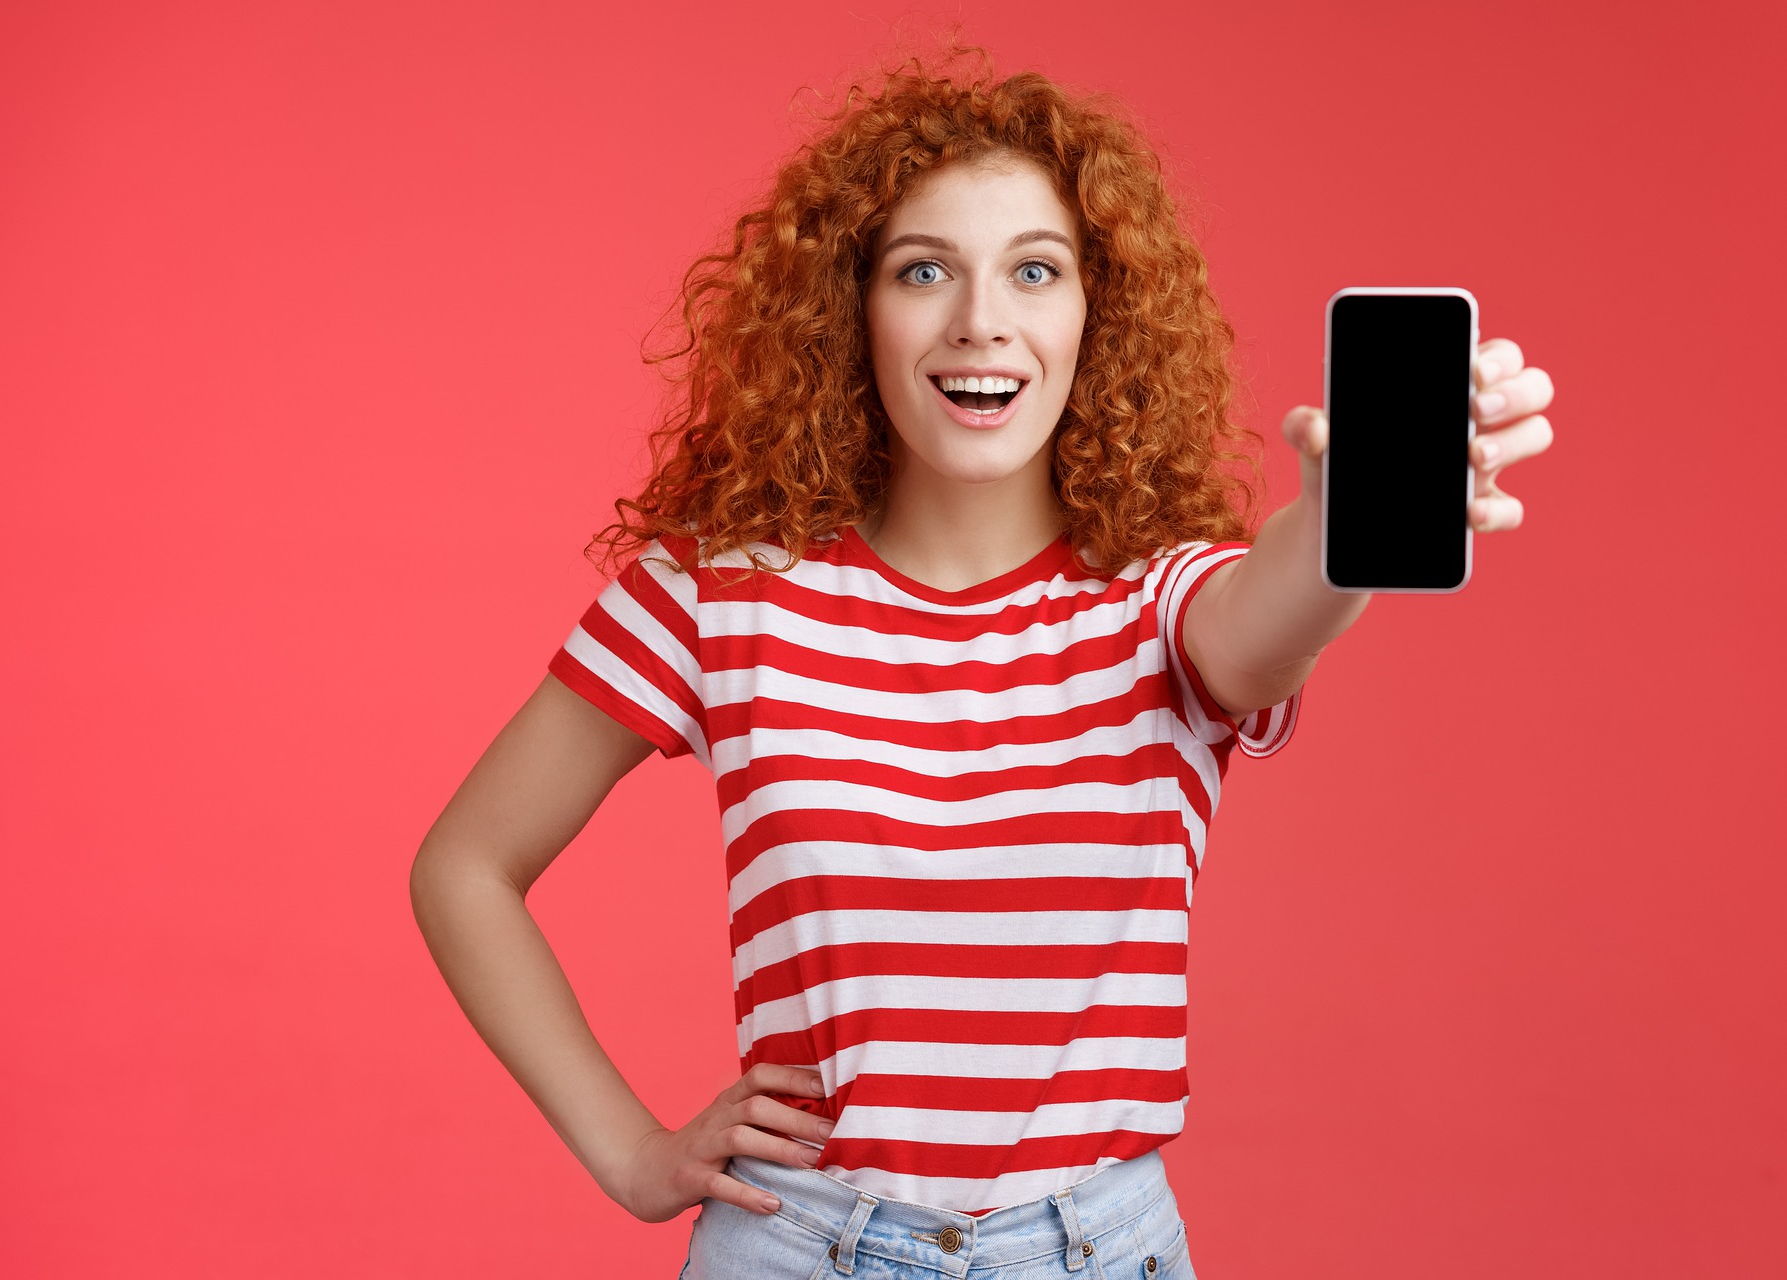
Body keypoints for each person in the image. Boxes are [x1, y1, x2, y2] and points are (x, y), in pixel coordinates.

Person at [409, 44, 1553, 1280]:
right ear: (852, 308)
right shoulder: (719, 594)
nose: (980, 321)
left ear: (1093, 315)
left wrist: (1342, 529)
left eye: (1035, 271)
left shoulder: (1159, 603)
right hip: (792, 1245)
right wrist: (630, 1152)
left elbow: (1267, 614)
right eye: (924, 270)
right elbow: (465, 864)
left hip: (1096, 1252)